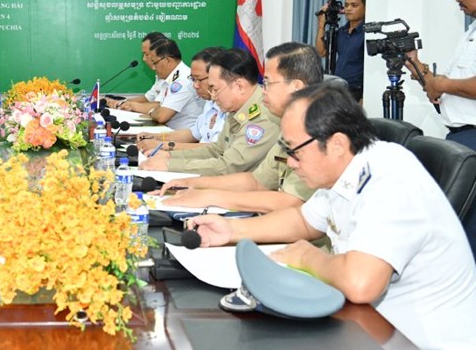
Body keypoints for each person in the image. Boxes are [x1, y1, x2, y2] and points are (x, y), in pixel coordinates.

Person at [187, 83, 476, 349]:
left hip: (417, 339)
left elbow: (361, 283)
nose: (290, 162)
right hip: (369, 325)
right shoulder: (345, 170)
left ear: (337, 144)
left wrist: (307, 257)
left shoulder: (391, 179)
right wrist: (231, 230)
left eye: (294, 151)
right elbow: (303, 221)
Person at [152, 42, 323, 214]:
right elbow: (257, 181)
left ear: (296, 87)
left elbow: (292, 202)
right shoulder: (289, 123)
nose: (263, 90)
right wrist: (190, 183)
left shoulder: (317, 131)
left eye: (268, 83)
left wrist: (211, 196)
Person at [140, 48, 279, 175]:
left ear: (239, 86)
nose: (212, 96)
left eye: (215, 89)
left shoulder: (263, 117)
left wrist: (169, 165)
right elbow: (216, 150)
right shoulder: (236, 109)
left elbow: (229, 166)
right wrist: (170, 156)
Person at [406, 0, 476, 151]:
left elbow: (444, 84)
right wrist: (414, 64)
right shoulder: (470, 32)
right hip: (459, 136)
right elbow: (445, 86)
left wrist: (442, 84)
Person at [136, 47, 226, 153]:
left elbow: (215, 150)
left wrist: (162, 145)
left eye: (199, 79)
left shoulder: (230, 109)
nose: (195, 85)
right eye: (193, 79)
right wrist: (156, 137)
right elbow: (193, 133)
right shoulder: (210, 103)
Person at [118, 38, 203, 130]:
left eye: (155, 63)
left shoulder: (182, 80)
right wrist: (132, 105)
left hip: (184, 136)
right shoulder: (170, 78)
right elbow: (158, 105)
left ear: (167, 61)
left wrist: (151, 111)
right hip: (170, 131)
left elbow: (161, 116)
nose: (153, 68)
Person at [315, 0, 366, 101]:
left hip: (357, 90)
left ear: (365, 8)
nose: (348, 9)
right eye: (346, 5)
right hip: (338, 87)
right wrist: (321, 25)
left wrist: (364, 97)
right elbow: (321, 52)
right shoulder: (341, 32)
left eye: (354, 5)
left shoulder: (367, 33)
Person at [105, 31, 167, 110]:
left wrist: (129, 105)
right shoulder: (159, 76)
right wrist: (119, 103)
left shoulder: (175, 78)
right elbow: (148, 98)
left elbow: (161, 107)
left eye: (146, 54)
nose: (144, 59)